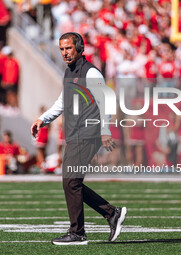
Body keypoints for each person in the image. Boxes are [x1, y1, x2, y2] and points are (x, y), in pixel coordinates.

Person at [31, 32, 127, 245]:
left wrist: (104, 130)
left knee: (71, 182)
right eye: (62, 49)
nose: (65, 53)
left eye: (68, 48)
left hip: (88, 133)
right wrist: (43, 119)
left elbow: (106, 101)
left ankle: (78, 232)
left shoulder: (91, 73)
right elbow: (62, 102)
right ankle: (111, 213)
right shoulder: (69, 72)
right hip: (75, 134)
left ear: (79, 48)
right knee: (71, 183)